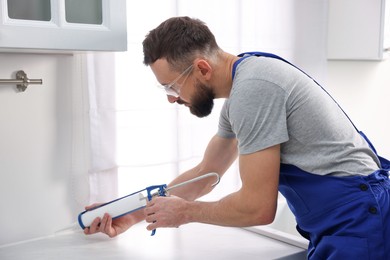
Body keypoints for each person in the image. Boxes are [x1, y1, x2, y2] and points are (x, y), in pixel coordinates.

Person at [84, 16, 390, 259]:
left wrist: (186, 213)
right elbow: (204, 176)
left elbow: (258, 207)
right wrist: (133, 215)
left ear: (202, 68)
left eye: (172, 87)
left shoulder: (254, 89)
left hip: (361, 219)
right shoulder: (243, 85)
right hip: (347, 220)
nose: (172, 99)